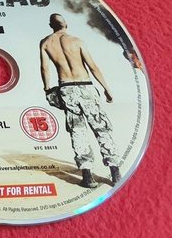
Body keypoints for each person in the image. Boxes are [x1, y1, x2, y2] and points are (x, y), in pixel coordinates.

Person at [40, 13, 121, 188]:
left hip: (66, 88)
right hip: (86, 86)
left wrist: (47, 89)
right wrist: (106, 88)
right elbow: (93, 67)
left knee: (77, 130)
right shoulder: (77, 41)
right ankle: (115, 171)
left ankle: (87, 175)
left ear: (51, 25)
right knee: (100, 127)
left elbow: (45, 68)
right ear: (65, 24)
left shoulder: (46, 43)